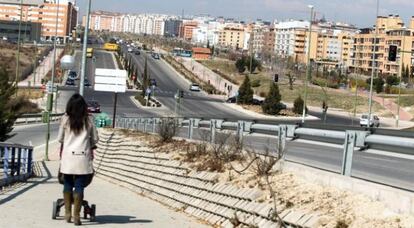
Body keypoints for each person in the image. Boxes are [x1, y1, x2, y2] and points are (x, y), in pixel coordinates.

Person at [58, 94, 98, 225]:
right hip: (82, 157)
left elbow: (60, 139)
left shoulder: (65, 119)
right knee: (80, 185)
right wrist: (90, 143)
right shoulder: (89, 120)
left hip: (68, 157)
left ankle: (67, 214)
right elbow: (95, 139)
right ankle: (77, 216)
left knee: (67, 183)